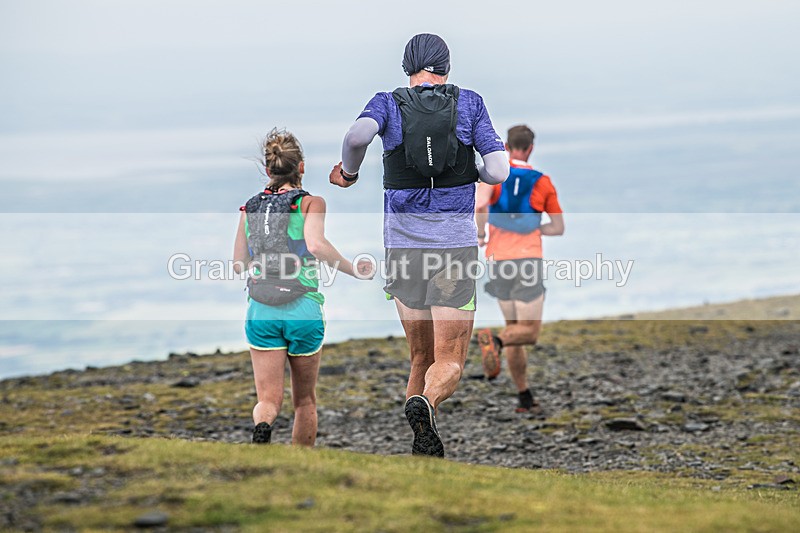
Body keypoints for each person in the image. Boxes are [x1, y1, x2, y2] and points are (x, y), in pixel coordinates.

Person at [329, 34, 509, 457]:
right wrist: (473, 170)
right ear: (447, 66)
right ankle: (425, 404)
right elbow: (499, 170)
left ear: (407, 66)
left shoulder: (388, 103)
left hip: (403, 251)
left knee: (419, 357)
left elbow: (356, 137)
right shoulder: (469, 103)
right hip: (454, 252)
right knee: (449, 359)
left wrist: (350, 174)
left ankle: (420, 443)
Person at [233, 128, 373, 446]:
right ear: (302, 167)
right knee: (304, 401)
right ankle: (301, 464)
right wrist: (354, 270)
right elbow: (317, 245)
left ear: (268, 170)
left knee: (267, 399)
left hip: (261, 309)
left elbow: (239, 264)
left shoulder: (249, 210)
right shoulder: (310, 204)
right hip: (303, 308)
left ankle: (263, 426)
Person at [475, 124, 564, 414]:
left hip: (498, 261)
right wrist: (533, 229)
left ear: (506, 146)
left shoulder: (495, 176)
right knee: (529, 333)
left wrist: (480, 235)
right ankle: (495, 341)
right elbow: (558, 227)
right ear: (531, 148)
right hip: (527, 261)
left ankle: (524, 397)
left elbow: (479, 206)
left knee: (515, 328)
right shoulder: (542, 182)